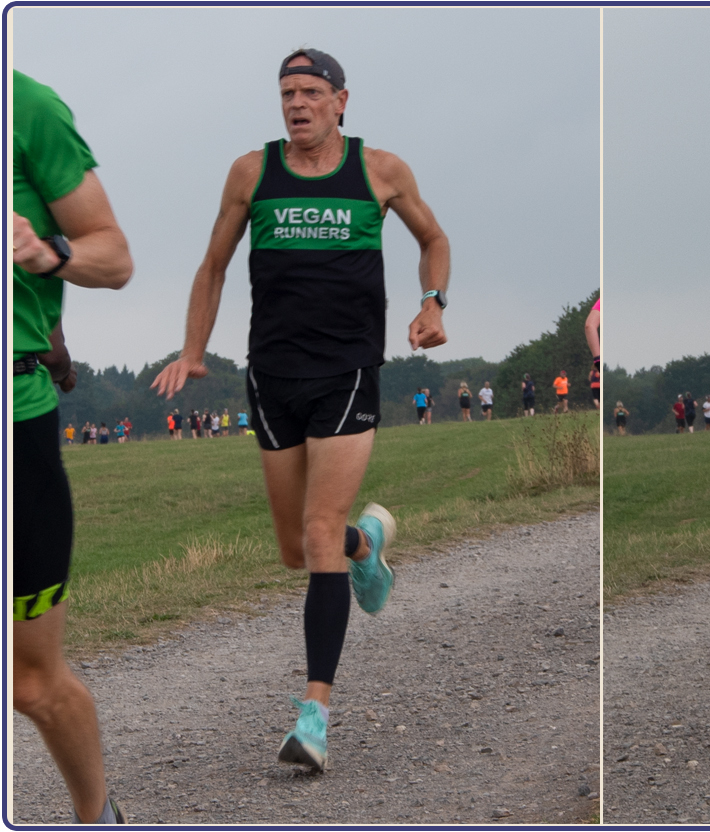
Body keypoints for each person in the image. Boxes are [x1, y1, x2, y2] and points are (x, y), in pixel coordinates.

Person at [150, 48, 447, 772]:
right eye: (287, 92)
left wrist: (432, 301)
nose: (297, 103)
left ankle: (314, 717)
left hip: (345, 371)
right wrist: (193, 350)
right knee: (297, 548)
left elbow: (433, 239)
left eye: (311, 91)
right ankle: (364, 545)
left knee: (315, 534)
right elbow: (214, 266)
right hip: (271, 375)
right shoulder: (252, 174)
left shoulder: (380, 171)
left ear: (342, 100)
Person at [12, 69, 134, 823]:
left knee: (29, 682)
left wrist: (47, 252)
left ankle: (97, 814)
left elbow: (114, 257)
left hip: (12, 423)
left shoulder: (24, 105)